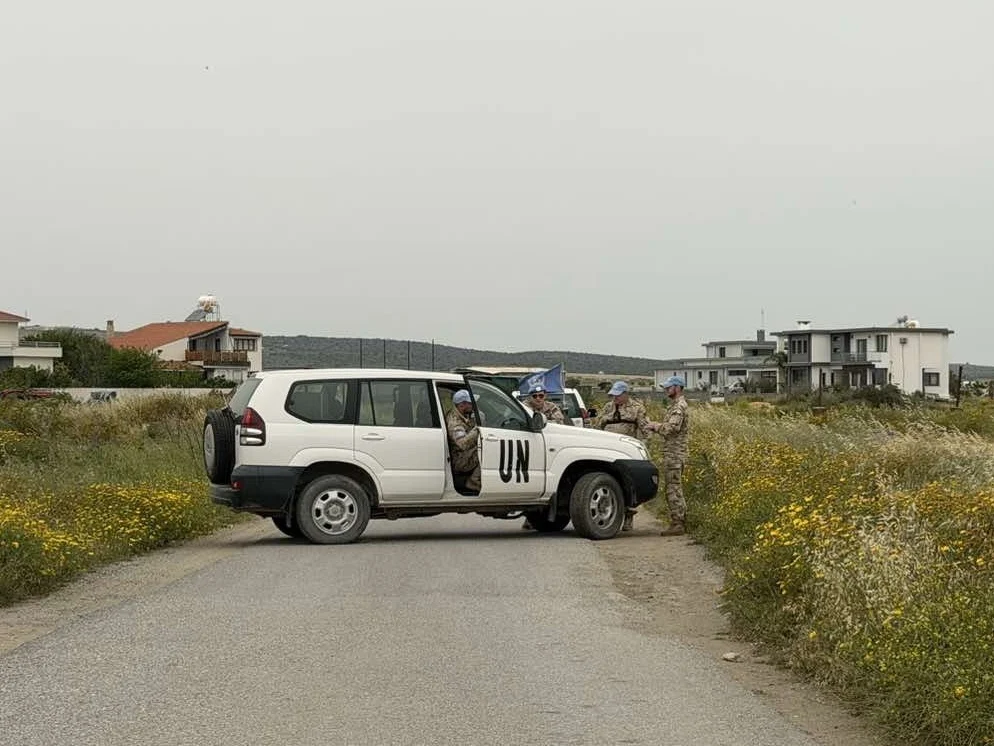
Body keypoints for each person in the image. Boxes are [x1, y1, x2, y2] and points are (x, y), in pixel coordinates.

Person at [592, 380, 659, 531]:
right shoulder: (608, 407)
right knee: (608, 483)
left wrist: (643, 446)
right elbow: (597, 426)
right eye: (613, 395)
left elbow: (646, 429)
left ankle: (628, 516)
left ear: (625, 394)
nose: (615, 398)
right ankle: (610, 517)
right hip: (606, 451)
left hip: (626, 452)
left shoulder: (637, 408)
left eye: (617, 395)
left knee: (626, 484)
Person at [519, 383, 570, 530]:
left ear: (545, 396)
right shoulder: (524, 408)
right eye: (535, 396)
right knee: (530, 484)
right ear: (530, 397)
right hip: (529, 449)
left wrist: (542, 423)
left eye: (541, 395)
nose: (538, 399)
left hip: (547, 449)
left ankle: (536, 518)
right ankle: (529, 517)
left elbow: (559, 422)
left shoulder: (551, 407)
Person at [656, 375, 690, 536]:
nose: (666, 390)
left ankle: (678, 523)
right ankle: (678, 521)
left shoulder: (679, 407)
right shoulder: (676, 406)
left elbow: (671, 428)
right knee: (673, 487)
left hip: (675, 454)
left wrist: (656, 427)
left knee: (673, 489)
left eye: (669, 387)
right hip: (673, 453)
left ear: (677, 388)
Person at [445, 389, 480, 493]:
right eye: (471, 403)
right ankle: (473, 481)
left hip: (465, 454)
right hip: (459, 459)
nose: (473, 405)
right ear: (462, 405)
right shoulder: (454, 422)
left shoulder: (464, 415)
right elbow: (463, 443)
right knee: (488, 450)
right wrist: (478, 429)